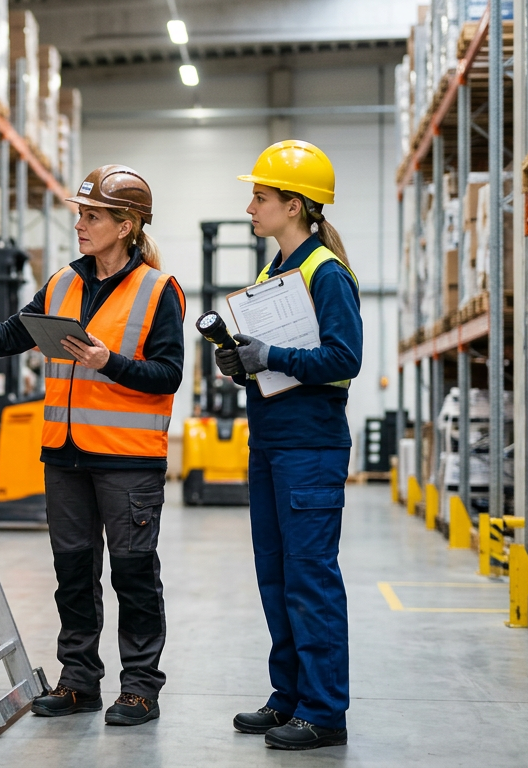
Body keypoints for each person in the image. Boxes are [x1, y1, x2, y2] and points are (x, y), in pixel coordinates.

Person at [0, 165, 184, 727]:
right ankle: (80, 679)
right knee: (72, 572)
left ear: (127, 225)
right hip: (64, 455)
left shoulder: (159, 290)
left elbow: (168, 375)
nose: (80, 225)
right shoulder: (63, 282)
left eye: (92, 216)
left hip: (128, 460)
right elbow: (8, 337)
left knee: (133, 574)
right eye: (79, 215)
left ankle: (139, 687)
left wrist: (108, 362)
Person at [215, 140, 362, 751]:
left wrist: (270, 354)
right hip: (271, 442)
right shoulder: (275, 272)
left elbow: (344, 358)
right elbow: (279, 359)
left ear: (295, 206)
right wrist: (242, 363)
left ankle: (324, 712)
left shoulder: (325, 272)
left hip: (310, 448)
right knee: (275, 576)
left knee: (309, 579)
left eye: (261, 196)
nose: (251, 206)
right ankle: (290, 699)